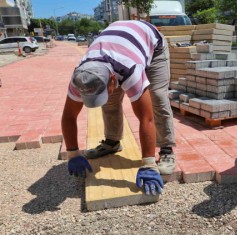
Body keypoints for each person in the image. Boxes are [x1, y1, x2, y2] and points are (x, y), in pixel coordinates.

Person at [61, 20, 177, 195]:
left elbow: (146, 119)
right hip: (115, 50)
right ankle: (112, 142)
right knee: (110, 101)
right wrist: (73, 153)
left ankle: (166, 149)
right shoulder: (81, 76)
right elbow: (69, 117)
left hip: (153, 45)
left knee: (157, 99)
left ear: (113, 80)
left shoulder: (130, 68)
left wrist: (148, 164)